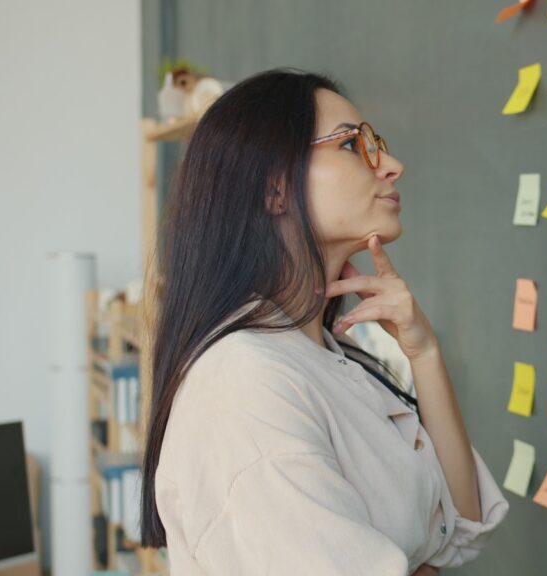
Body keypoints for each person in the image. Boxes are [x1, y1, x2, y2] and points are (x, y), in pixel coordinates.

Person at [139, 68, 509, 575]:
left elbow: (459, 525)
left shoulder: (323, 355)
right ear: (273, 189)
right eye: (353, 145)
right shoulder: (243, 385)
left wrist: (424, 353)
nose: (393, 165)